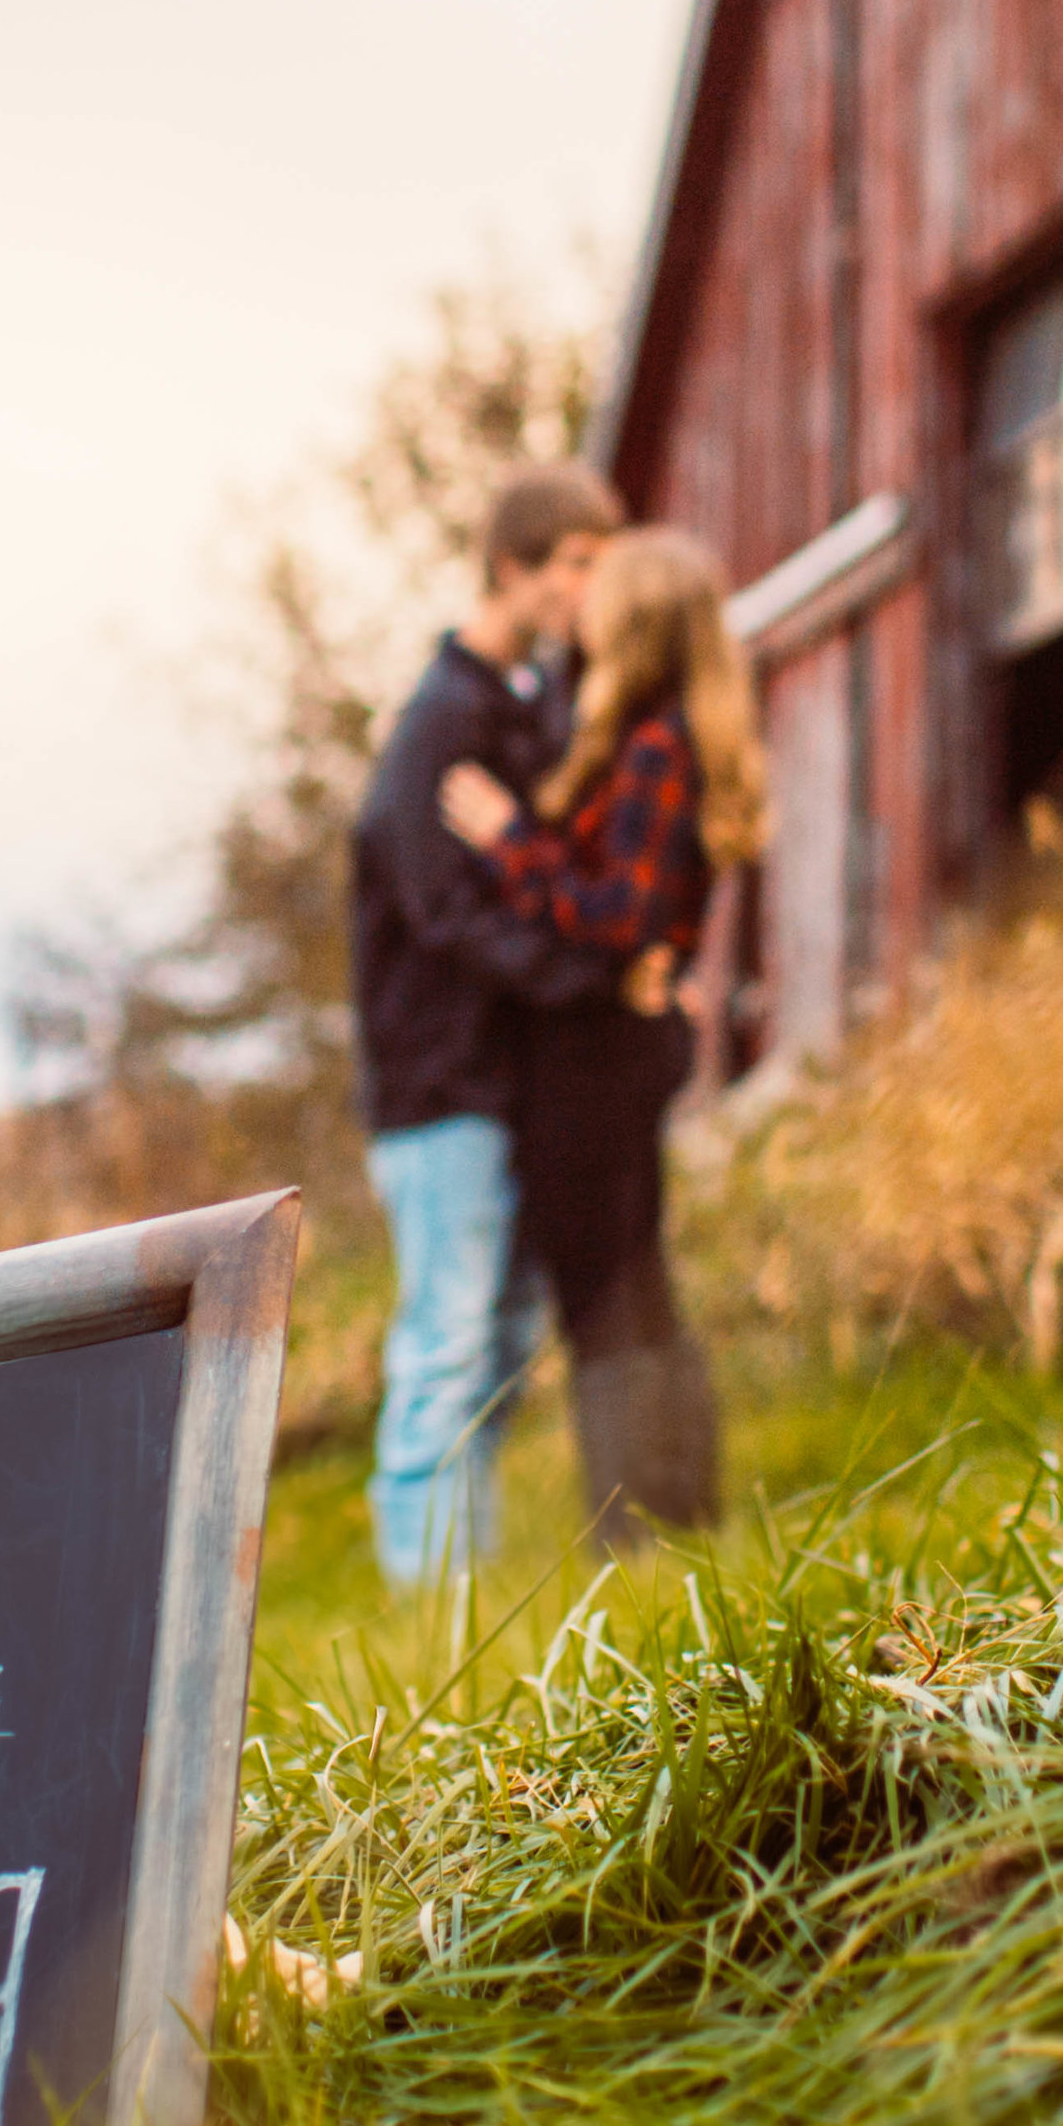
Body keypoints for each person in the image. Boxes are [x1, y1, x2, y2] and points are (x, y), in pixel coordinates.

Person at [440, 525, 769, 1551]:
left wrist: (507, 840)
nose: (579, 609)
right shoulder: (661, 736)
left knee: (600, 1292)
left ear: (631, 619)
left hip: (597, 1055)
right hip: (628, 1037)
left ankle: (628, 1530)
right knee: (637, 1279)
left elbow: (613, 913)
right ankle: (681, 1510)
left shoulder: (654, 745)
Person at [349, 461, 634, 1588]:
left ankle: (456, 1593)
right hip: (438, 1097)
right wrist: (589, 977)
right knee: (447, 1345)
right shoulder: (437, 730)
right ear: (512, 569)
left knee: (503, 1348)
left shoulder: (525, 709)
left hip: (505, 1091)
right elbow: (443, 912)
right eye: (573, 566)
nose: (586, 592)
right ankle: (424, 1610)